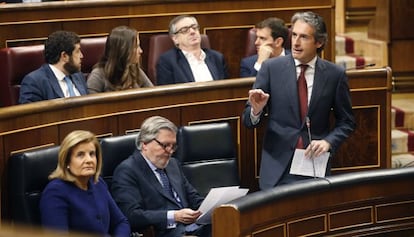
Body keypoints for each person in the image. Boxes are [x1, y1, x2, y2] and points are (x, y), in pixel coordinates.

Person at [242, 11, 356, 190]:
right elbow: (248, 121)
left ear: (319, 42)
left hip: (314, 165)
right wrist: (256, 111)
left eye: (303, 37)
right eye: (294, 35)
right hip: (277, 168)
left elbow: (347, 121)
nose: (295, 42)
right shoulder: (271, 68)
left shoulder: (335, 75)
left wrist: (328, 142)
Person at [111, 116, 210, 237]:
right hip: (164, 233)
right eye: (165, 145)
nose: (170, 151)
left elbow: (193, 198)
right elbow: (131, 215)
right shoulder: (127, 171)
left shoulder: (173, 164)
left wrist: (213, 207)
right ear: (144, 144)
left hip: (193, 227)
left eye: (173, 146)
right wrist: (174, 216)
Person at [39, 130, 131, 236]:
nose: (89, 160)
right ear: (67, 162)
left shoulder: (98, 183)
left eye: (92, 154)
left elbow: (121, 222)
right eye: (80, 155)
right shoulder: (55, 193)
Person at [156, 15, 229, 85]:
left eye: (194, 27)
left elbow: (226, 89)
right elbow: (167, 95)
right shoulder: (168, 61)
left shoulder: (217, 58)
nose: (192, 32)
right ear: (175, 39)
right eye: (185, 30)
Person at [19, 31, 88, 104]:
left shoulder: (78, 76)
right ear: (64, 56)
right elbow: (31, 114)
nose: (81, 56)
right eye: (77, 51)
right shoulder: (34, 82)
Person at [87, 26, 154, 93]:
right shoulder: (98, 75)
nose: (141, 51)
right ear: (123, 51)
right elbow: (90, 102)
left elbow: (153, 95)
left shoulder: (134, 69)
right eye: (136, 47)